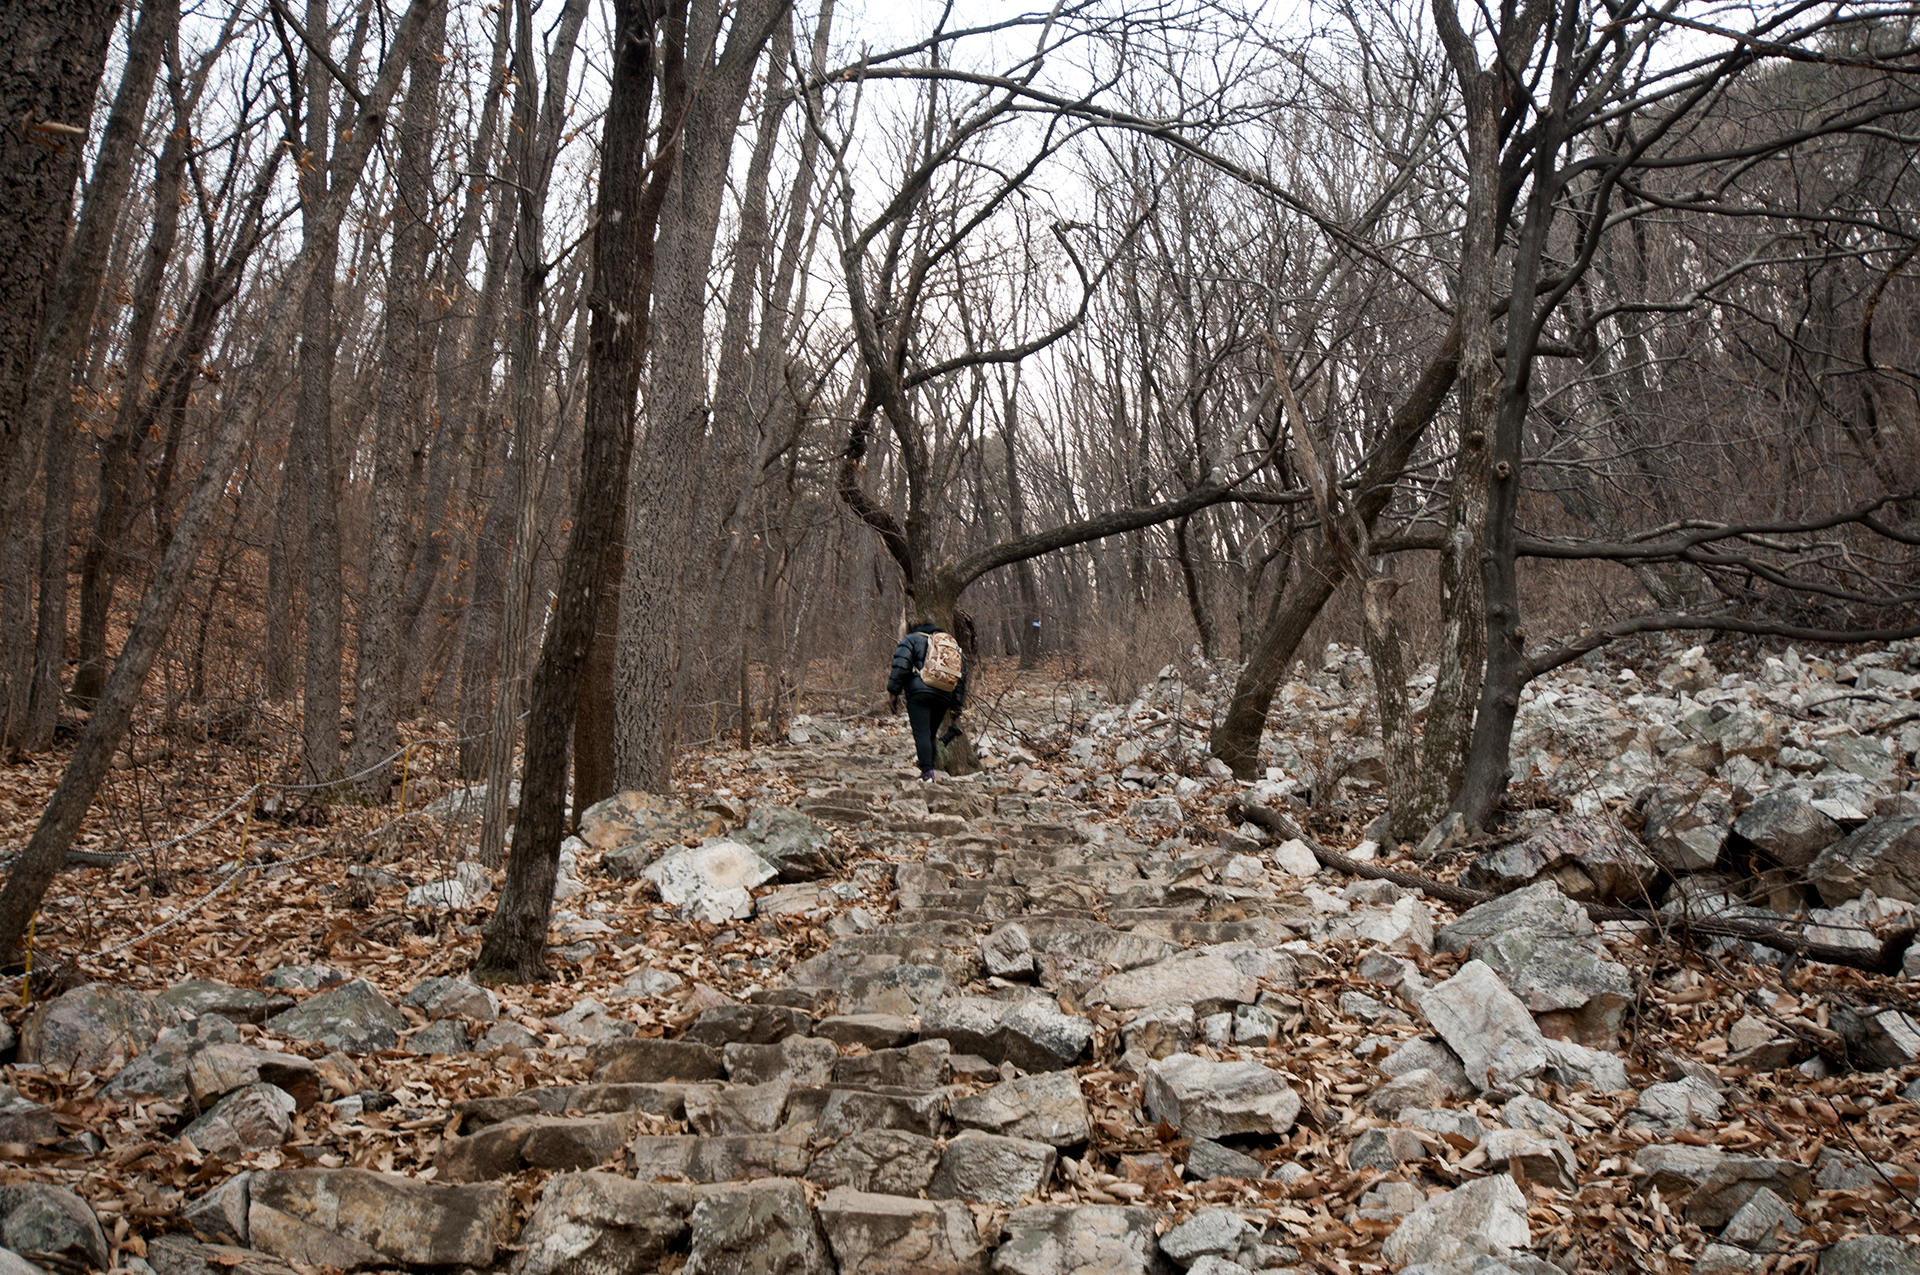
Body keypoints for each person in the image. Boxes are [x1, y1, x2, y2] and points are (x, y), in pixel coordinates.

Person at [888, 621, 968, 780]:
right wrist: (956, 705)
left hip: (919, 693)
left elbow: (901, 665)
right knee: (930, 735)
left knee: (922, 734)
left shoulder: (911, 639)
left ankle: (927, 773)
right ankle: (929, 771)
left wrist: (893, 692)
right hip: (944, 695)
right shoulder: (950, 647)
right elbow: (961, 675)